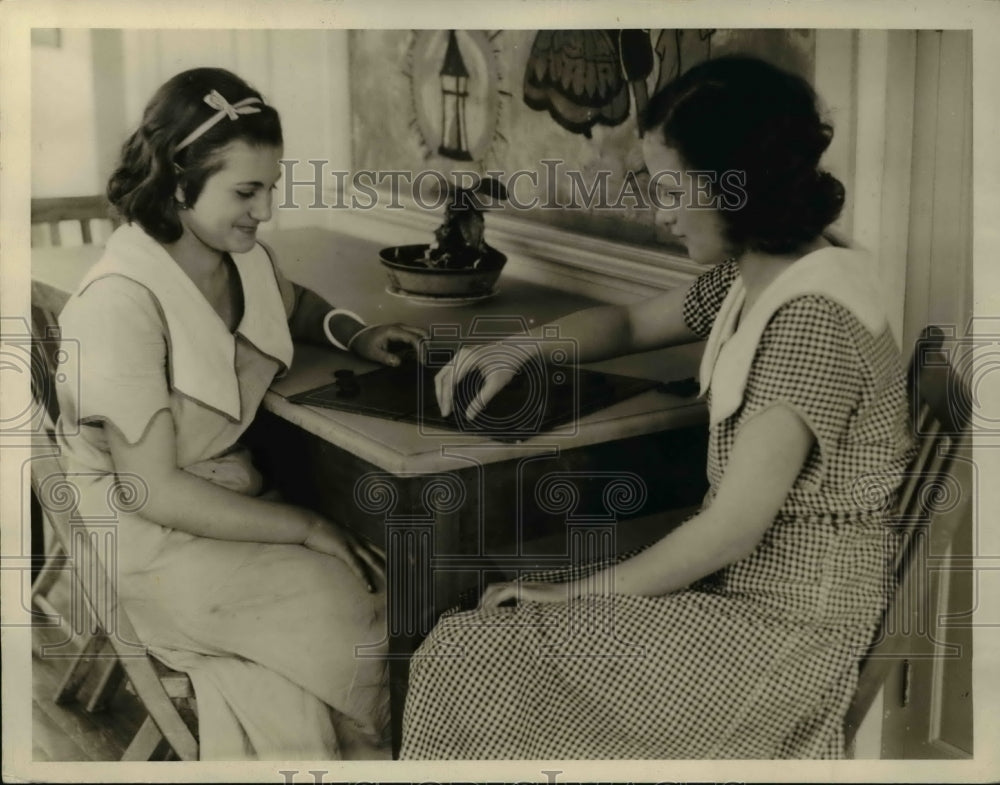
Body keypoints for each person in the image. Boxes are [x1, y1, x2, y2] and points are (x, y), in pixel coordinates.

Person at [400, 55, 916, 759]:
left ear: (738, 190)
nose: (661, 211)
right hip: (744, 596)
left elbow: (729, 531)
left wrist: (582, 597)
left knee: (467, 653)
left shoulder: (811, 320)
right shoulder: (762, 273)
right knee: (479, 635)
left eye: (672, 189)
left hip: (786, 636)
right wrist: (519, 348)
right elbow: (634, 324)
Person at [54, 67, 425, 760]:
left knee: (381, 584)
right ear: (176, 180)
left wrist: (361, 334)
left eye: (270, 190)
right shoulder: (120, 301)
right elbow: (155, 490)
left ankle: (363, 750)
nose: (265, 211)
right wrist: (308, 527)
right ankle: (372, 758)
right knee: (367, 612)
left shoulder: (238, 256)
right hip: (150, 540)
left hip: (223, 505)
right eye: (246, 191)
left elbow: (298, 304)